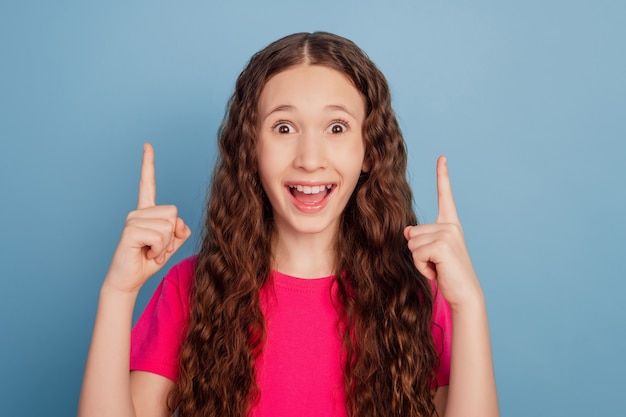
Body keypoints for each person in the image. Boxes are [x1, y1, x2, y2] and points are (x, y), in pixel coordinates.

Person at [78, 32, 499, 417]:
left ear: (368, 151)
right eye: (283, 127)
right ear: (251, 149)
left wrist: (469, 306)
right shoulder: (192, 289)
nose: (310, 158)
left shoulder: (416, 298)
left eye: (336, 127)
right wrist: (118, 292)